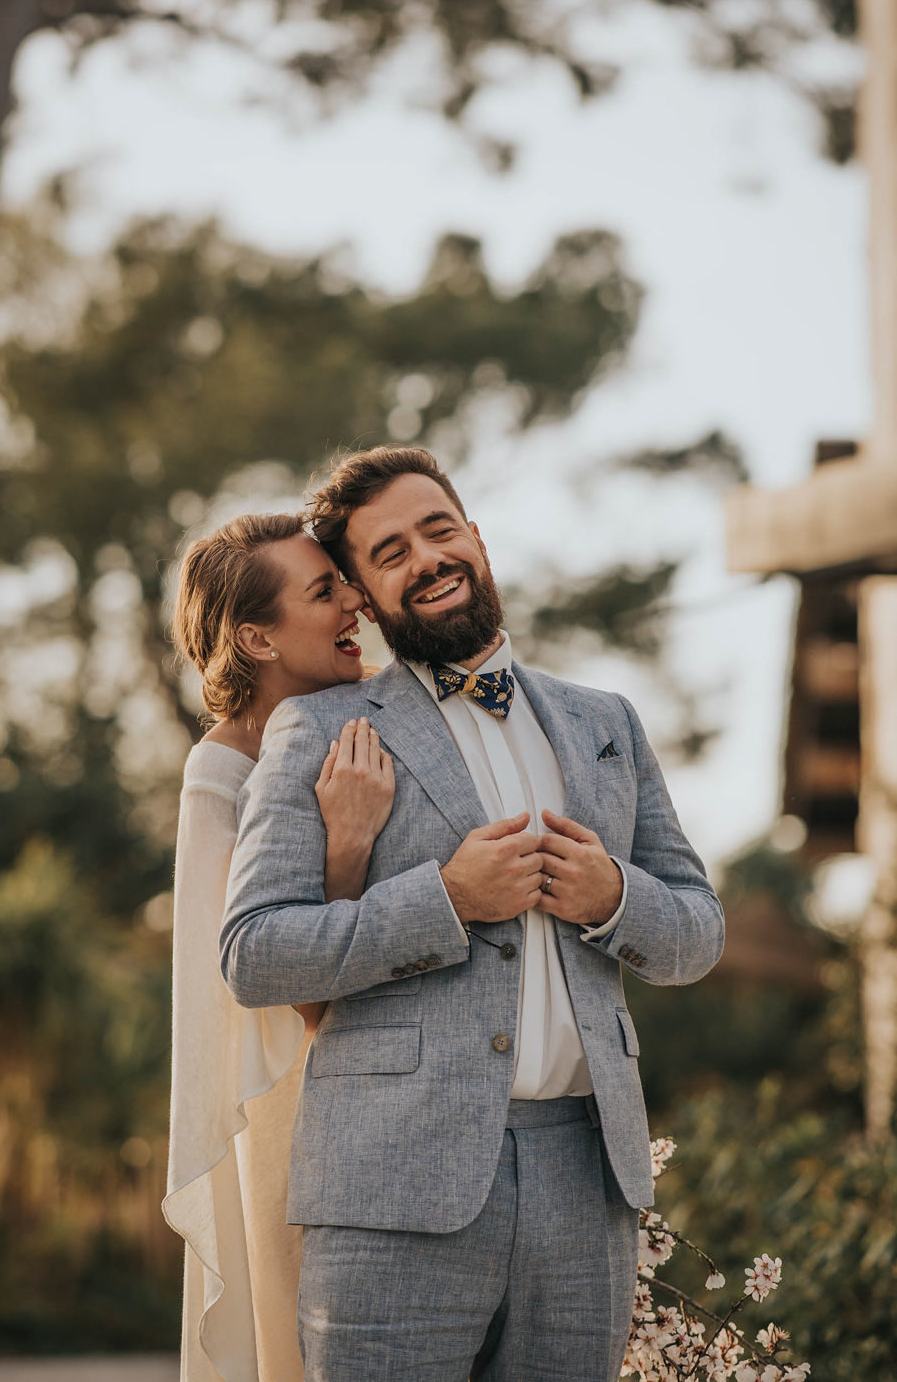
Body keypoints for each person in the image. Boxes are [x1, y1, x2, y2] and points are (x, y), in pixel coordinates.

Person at [221, 446, 725, 1382]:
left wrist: (615, 897)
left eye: (438, 530)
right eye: (390, 552)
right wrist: (447, 899)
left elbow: (699, 931)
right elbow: (255, 952)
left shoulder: (607, 721)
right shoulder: (319, 730)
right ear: (365, 595)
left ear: (477, 539)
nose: (426, 558)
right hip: (389, 1195)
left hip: (587, 1189)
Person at [163, 511, 395, 1382]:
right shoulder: (222, 774)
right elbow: (275, 980)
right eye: (324, 590)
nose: (355, 602)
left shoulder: (387, 708)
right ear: (257, 638)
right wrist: (347, 846)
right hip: (295, 1098)